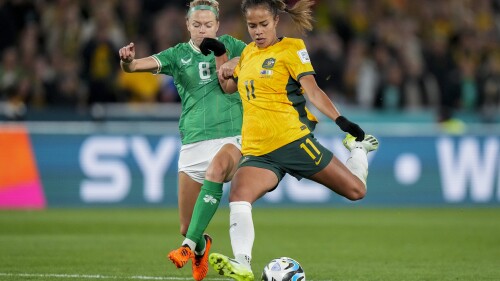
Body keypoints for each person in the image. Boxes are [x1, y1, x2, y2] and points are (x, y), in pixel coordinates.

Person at [199, 0, 379, 280]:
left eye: (263, 25)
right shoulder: (247, 54)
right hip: (259, 151)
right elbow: (227, 87)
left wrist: (341, 122)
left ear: (276, 22)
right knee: (239, 194)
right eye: (252, 26)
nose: (257, 31)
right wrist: (221, 55)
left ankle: (357, 150)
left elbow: (313, 91)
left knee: (356, 192)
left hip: (292, 142)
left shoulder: (292, 48)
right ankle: (243, 264)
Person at [118, 1, 246, 280]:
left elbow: (259, 58)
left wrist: (236, 61)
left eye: (208, 25)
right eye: (197, 25)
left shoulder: (232, 45)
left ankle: (187, 248)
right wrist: (127, 62)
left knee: (217, 169)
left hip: (231, 135)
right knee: (187, 226)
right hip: (193, 142)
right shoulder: (177, 55)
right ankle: (199, 246)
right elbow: (137, 66)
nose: (203, 30)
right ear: (187, 25)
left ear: (217, 26)